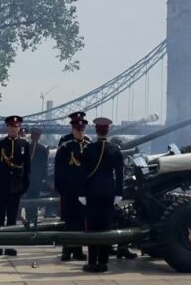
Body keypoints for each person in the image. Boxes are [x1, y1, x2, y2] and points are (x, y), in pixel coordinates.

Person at [81, 117, 123, 273]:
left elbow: (82, 173)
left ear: (96, 129)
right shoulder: (115, 150)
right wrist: (118, 193)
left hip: (91, 193)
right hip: (108, 193)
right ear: (108, 130)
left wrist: (82, 193)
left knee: (92, 228)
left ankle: (92, 261)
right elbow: (119, 175)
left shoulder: (88, 149)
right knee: (106, 227)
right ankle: (103, 262)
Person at [0, 115, 30, 257]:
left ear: (19, 128)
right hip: (1, 185)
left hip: (16, 186)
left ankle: (10, 246)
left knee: (12, 218)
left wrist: (25, 184)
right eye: (11, 126)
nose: (13, 129)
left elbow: (27, 166)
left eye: (16, 127)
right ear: (7, 128)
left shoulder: (24, 144)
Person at [54, 111, 90, 262]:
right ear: (73, 128)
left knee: (81, 220)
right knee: (69, 220)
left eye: (82, 129)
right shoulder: (65, 144)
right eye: (78, 129)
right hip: (69, 189)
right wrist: (60, 187)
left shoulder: (88, 143)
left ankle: (78, 250)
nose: (80, 132)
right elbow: (59, 168)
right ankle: (67, 250)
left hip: (83, 189)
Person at [24, 126, 49, 225]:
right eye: (35, 135)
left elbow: (44, 165)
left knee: (33, 199)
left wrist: (43, 178)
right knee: (30, 199)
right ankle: (30, 218)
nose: (35, 137)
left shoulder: (41, 149)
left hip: (34, 179)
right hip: (30, 178)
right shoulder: (27, 147)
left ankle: (32, 218)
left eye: (36, 135)